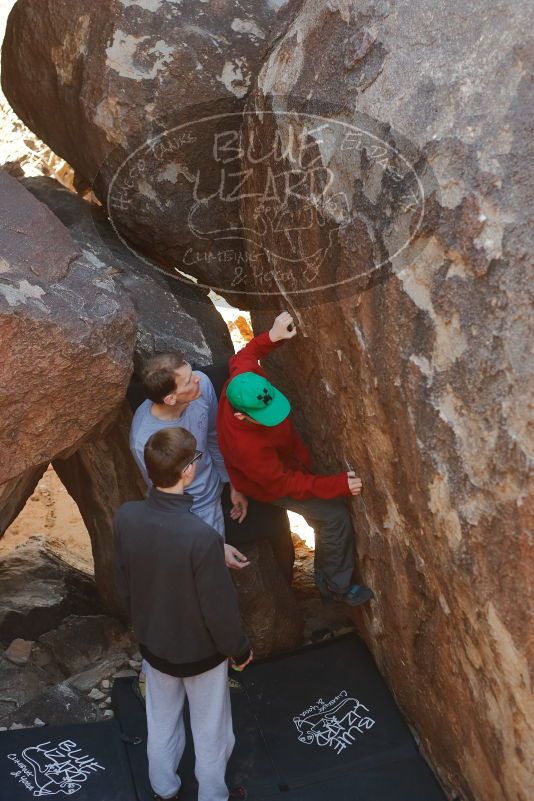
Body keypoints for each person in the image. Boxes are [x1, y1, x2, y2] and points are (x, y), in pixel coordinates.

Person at [113, 427, 252, 801]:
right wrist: (238, 650)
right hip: (201, 653)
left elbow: (124, 581)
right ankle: (212, 796)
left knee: (161, 721)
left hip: (154, 642)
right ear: (188, 471)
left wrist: (142, 624)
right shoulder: (202, 537)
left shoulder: (126, 516)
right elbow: (218, 611)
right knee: (211, 730)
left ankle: (164, 789)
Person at [216, 311, 374, 607]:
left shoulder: (244, 381)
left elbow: (246, 354)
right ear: (241, 415)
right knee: (334, 516)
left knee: (322, 516)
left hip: (285, 459)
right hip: (270, 483)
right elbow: (285, 484)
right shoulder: (247, 448)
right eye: (262, 417)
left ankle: (328, 576)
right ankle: (335, 587)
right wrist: (337, 485)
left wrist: (273, 336)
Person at [129, 352, 250, 571]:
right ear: (171, 399)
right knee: (205, 573)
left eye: (191, 371)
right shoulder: (144, 439)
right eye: (187, 381)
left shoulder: (202, 386)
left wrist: (233, 482)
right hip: (191, 507)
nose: (197, 378)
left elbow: (214, 435)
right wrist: (212, 544)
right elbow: (165, 495)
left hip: (212, 485)